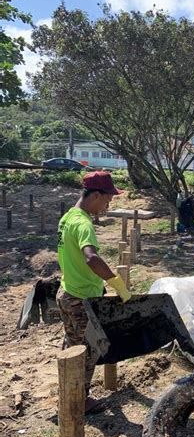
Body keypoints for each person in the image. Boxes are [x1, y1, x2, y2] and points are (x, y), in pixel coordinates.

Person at [56, 170, 131, 413]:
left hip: (67, 293)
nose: (108, 205)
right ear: (96, 195)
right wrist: (116, 282)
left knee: (71, 346)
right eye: (107, 199)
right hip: (81, 299)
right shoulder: (83, 223)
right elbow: (91, 257)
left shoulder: (68, 217)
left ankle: (67, 392)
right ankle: (79, 402)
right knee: (86, 352)